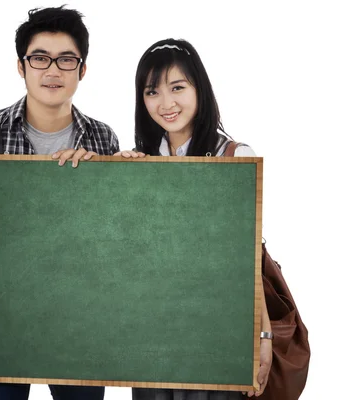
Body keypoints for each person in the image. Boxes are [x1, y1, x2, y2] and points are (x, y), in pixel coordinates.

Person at [0, 5, 119, 400]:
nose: (53, 70)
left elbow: (113, 240)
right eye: (40, 58)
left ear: (82, 70)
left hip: (80, 322)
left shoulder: (102, 139)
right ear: (22, 66)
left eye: (66, 60)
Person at [116, 38, 273, 399]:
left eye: (178, 88)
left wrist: (263, 335)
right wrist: (114, 184)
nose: (166, 103)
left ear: (199, 89)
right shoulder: (142, 161)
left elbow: (246, 258)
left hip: (215, 335)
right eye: (152, 92)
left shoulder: (232, 157)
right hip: (152, 338)